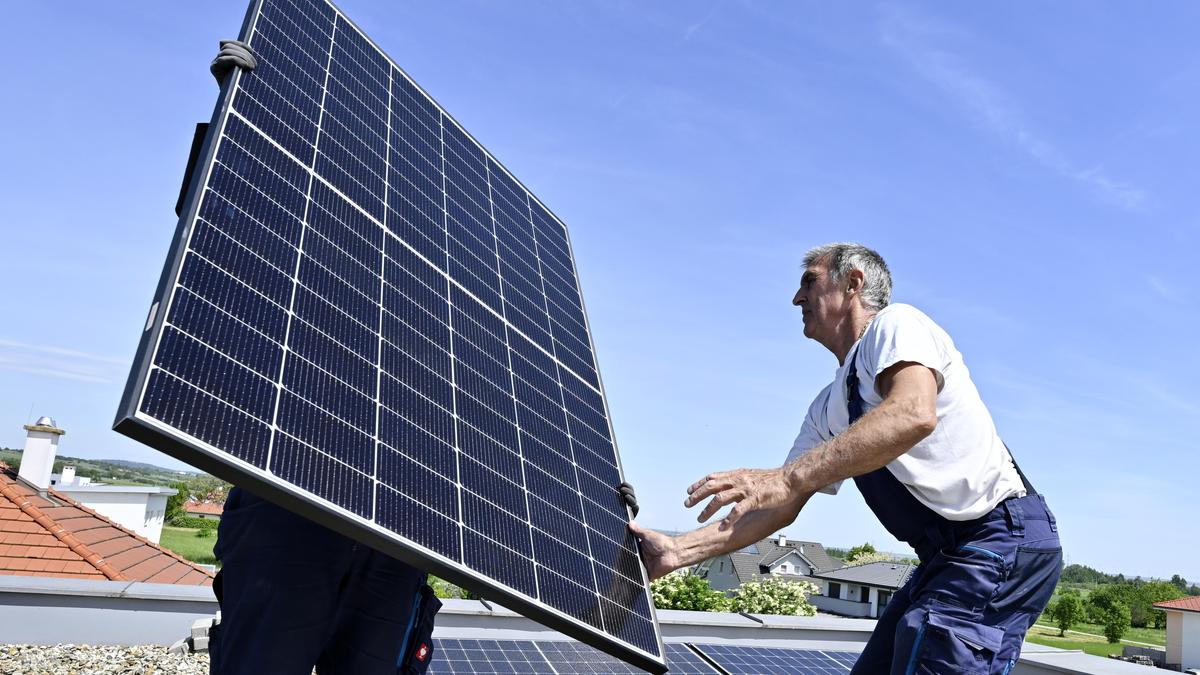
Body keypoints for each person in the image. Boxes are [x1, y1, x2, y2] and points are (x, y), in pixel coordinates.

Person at [203, 40, 640, 675]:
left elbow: (503, 429)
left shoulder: (457, 327)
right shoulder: (316, 244)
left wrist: (585, 504)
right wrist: (237, 127)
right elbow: (232, 246)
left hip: (401, 534)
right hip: (293, 501)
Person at [630, 243, 1061, 674]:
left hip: (997, 538)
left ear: (853, 283)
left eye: (809, 281)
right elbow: (782, 504)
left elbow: (912, 413)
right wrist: (678, 550)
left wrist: (786, 478)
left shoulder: (897, 325)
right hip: (946, 556)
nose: (796, 298)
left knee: (932, 649)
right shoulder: (828, 408)